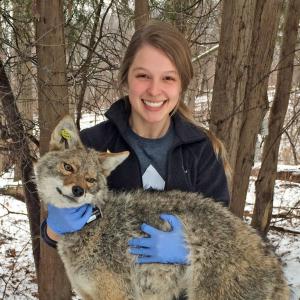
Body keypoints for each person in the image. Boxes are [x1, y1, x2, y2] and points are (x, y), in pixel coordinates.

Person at [41, 20, 230, 299]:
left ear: (182, 86)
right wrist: (55, 226)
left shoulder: (202, 150)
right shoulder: (93, 146)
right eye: (143, 76)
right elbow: (53, 233)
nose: (154, 90)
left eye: (168, 78)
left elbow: (225, 240)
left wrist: (190, 250)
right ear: (126, 78)